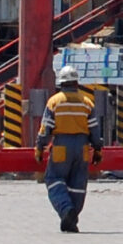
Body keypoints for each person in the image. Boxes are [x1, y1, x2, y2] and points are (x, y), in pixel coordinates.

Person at [42, 66, 97, 233]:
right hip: (82, 147)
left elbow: (46, 127)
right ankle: (72, 217)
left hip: (61, 146)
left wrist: (39, 145)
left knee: (54, 179)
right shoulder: (87, 102)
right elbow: (94, 128)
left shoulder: (54, 101)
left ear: (61, 82)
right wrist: (98, 148)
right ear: (77, 82)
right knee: (78, 183)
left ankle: (66, 210)